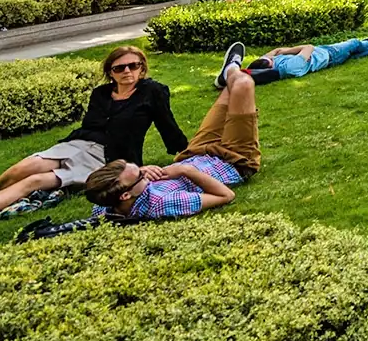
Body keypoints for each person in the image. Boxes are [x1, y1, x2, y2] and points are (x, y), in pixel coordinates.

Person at [0, 46, 186, 235]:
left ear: (142, 68)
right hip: (79, 144)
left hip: (110, 158)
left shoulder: (153, 92)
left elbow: (167, 124)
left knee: (32, 182)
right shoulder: (101, 94)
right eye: (120, 67)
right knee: (28, 165)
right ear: (110, 72)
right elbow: (91, 127)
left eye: (134, 66)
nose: (127, 71)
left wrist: (181, 151)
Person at [83, 61, 266, 222]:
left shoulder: (104, 205)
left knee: (232, 88)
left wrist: (142, 170)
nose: (143, 174)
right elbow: (226, 195)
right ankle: (232, 68)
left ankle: (230, 70)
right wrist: (184, 170)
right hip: (233, 160)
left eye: (139, 170)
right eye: (139, 176)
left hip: (195, 152)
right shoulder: (162, 204)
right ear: (125, 195)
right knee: (242, 84)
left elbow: (99, 193)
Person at [221, 24, 368, 84]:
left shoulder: (270, 63)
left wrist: (280, 53)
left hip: (322, 52)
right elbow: (308, 47)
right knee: (353, 44)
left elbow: (275, 52)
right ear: (271, 64)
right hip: (328, 55)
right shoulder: (290, 67)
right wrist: (288, 51)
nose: (273, 55)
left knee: (353, 55)